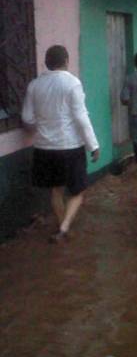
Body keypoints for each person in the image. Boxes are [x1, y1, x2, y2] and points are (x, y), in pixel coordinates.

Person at [22, 45, 100, 241]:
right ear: (66, 61)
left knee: (56, 190)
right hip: (69, 147)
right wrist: (93, 145)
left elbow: (27, 119)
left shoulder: (34, 85)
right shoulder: (72, 83)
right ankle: (64, 227)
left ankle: (61, 227)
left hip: (44, 148)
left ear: (46, 63)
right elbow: (81, 117)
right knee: (79, 191)